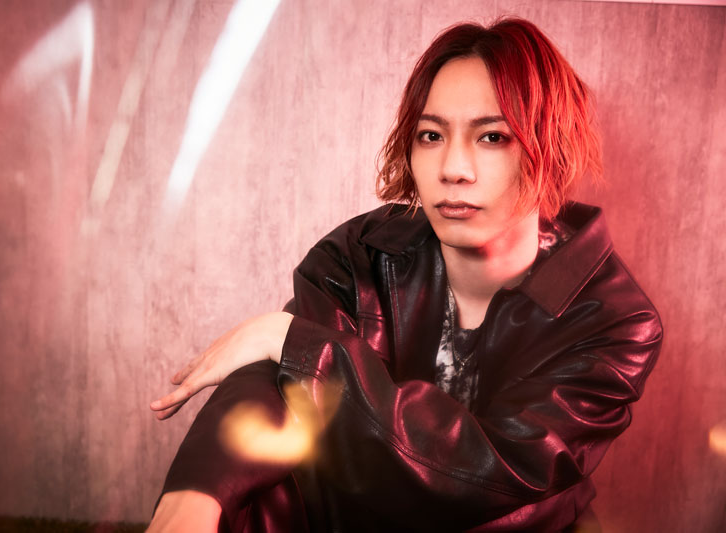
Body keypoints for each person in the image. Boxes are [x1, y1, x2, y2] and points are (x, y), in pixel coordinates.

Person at [148, 17, 662, 532]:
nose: (453, 168)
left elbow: (490, 472)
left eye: (492, 136)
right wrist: (196, 494)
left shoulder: (617, 322)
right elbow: (277, 380)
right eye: (431, 135)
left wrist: (295, 342)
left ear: (552, 147)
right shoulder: (359, 254)